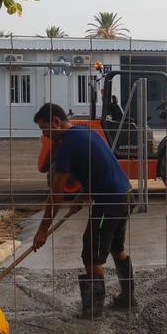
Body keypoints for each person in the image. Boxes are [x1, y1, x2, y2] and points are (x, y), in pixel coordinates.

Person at [33, 103, 135, 318]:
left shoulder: (66, 146)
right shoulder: (85, 131)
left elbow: (56, 194)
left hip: (108, 202)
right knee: (116, 247)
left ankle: (93, 309)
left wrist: (42, 230)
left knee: (91, 253)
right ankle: (128, 298)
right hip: (125, 195)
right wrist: (82, 196)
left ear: (56, 122)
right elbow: (97, 167)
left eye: (45, 129)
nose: (45, 135)